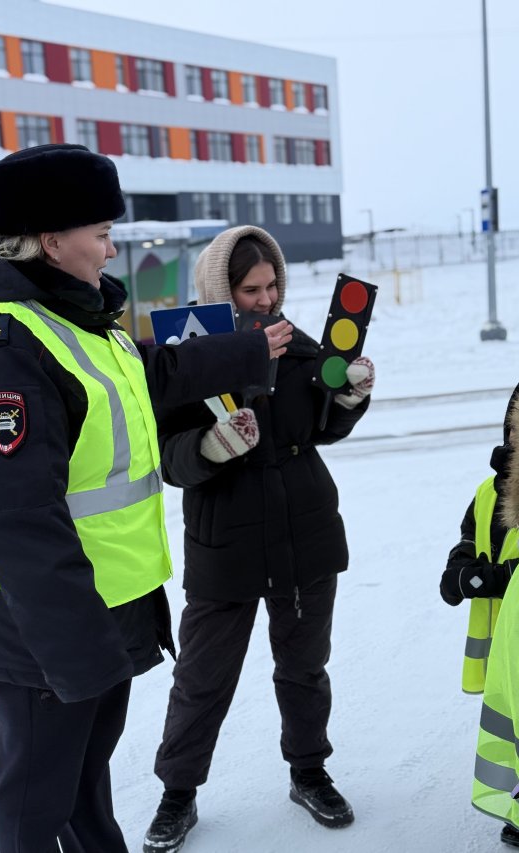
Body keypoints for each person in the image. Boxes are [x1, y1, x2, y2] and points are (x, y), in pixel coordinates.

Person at [0, 144, 293, 853]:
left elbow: (149, 370)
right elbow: (19, 520)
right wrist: (77, 651)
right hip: (44, 625)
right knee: (37, 798)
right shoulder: (2, 347)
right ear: (51, 239)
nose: (112, 248)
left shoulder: (71, 319)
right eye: (101, 233)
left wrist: (251, 351)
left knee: (84, 785)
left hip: (97, 607)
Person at [142, 225, 375, 852]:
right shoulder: (186, 357)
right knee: (203, 677)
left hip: (305, 529)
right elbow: (169, 460)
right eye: (251, 289)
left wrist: (348, 399)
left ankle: (308, 772)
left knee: (304, 668)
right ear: (223, 290)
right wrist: (211, 447)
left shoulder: (300, 346)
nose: (267, 300)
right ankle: (178, 795)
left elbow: (320, 428)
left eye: (273, 286)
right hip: (226, 539)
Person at [440, 363, 519, 850]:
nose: (515, 439)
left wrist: (492, 578)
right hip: (506, 640)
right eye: (511, 429)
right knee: (511, 728)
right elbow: (470, 535)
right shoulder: (489, 489)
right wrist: (458, 567)